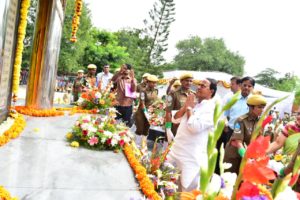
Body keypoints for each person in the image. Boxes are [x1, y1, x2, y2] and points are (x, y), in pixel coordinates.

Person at [167, 78, 217, 191]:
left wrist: (189, 108)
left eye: (203, 86)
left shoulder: (212, 108)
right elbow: (175, 119)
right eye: (198, 84)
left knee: (185, 190)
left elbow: (194, 127)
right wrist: (185, 107)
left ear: (211, 91)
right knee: (166, 182)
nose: (198, 87)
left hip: (191, 157)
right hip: (176, 150)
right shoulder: (195, 103)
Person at [223, 94, 267, 174]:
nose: (262, 110)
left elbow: (259, 140)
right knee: (230, 178)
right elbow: (238, 141)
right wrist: (244, 155)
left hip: (248, 155)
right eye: (259, 107)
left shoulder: (260, 122)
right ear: (251, 107)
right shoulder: (241, 120)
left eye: (263, 107)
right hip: (234, 153)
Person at [165, 73, 195, 141]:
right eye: (187, 81)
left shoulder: (193, 94)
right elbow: (168, 112)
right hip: (175, 127)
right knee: (170, 148)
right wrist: (168, 128)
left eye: (191, 81)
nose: (189, 83)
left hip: (187, 128)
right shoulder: (173, 94)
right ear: (181, 81)